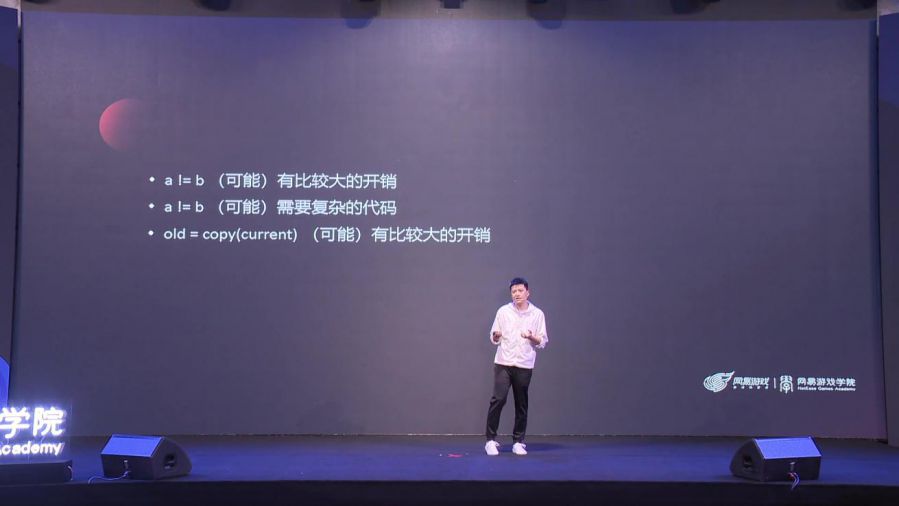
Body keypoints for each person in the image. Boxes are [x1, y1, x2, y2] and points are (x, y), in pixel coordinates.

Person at [484, 277, 548, 456]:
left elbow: (542, 341)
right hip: (503, 362)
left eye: (520, 291)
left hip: (524, 364)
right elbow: (494, 337)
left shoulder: (537, 314)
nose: (517, 294)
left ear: (528, 292)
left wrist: (531, 336)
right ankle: (490, 440)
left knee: (521, 403)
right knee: (498, 399)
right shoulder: (503, 311)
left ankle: (518, 442)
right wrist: (496, 335)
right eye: (514, 291)